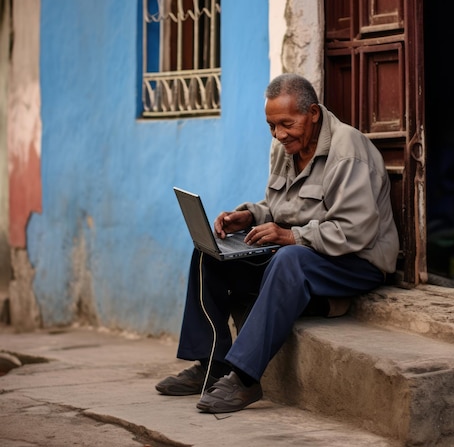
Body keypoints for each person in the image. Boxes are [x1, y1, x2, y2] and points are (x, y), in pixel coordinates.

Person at [156, 73, 399, 414]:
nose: (279, 134)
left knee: (289, 260)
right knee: (209, 253)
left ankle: (244, 378)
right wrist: (251, 215)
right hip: (303, 254)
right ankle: (211, 365)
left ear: (313, 113)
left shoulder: (348, 151)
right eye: (272, 126)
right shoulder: (285, 148)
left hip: (355, 262)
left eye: (287, 124)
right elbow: (281, 208)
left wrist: (291, 237)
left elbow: (354, 231)